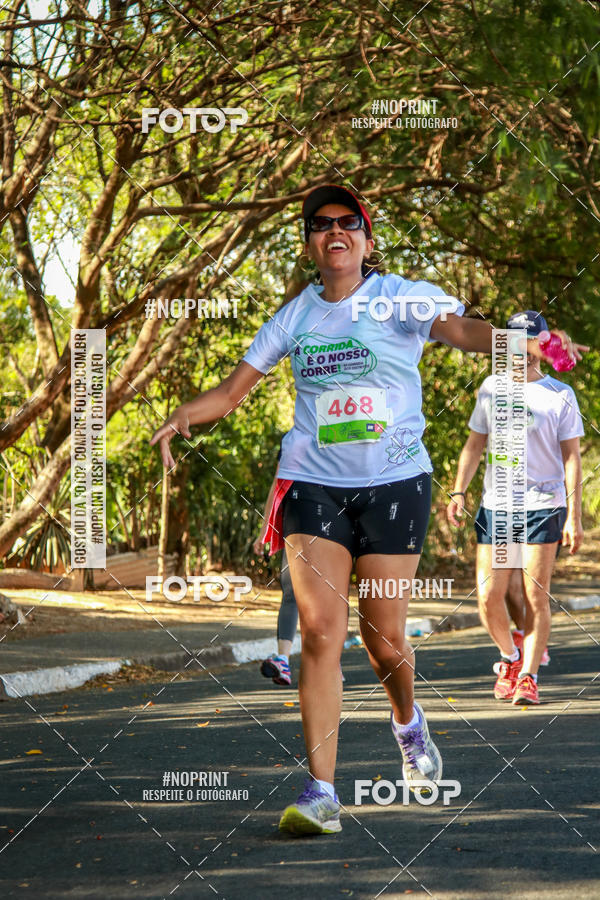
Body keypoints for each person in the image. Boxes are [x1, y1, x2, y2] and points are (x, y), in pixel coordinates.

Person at [150, 188, 584, 835]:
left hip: (395, 487)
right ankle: (321, 792)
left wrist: (522, 341)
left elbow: (462, 330)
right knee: (322, 633)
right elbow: (234, 390)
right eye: (320, 225)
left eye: (348, 223)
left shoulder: (400, 297)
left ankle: (408, 725)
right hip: (312, 487)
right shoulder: (294, 318)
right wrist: (186, 412)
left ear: (367, 240)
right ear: (309, 244)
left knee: (384, 643)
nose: (335, 232)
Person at [447, 310, 586, 705]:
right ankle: (510, 657)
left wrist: (573, 516)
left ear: (542, 347)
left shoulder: (560, 394)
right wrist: (459, 491)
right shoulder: (491, 388)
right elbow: (475, 445)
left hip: (543, 505)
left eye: (531, 344)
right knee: (489, 596)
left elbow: (572, 458)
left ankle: (528, 675)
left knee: (534, 595)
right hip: (499, 506)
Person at [254, 448, 298, 686]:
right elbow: (277, 486)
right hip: (297, 518)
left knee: (327, 594)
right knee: (291, 590)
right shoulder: (292, 438)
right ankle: (283, 660)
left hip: (332, 520)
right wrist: (264, 532)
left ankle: (330, 660)